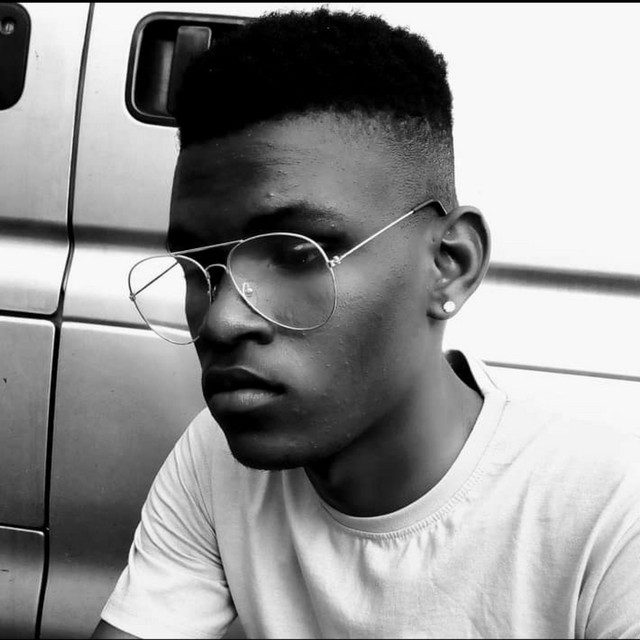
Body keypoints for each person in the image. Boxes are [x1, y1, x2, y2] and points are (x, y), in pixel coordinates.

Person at [93, 8, 640, 639]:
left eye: (296, 256)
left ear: (450, 265)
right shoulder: (216, 462)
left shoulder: (607, 516)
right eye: (200, 268)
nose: (220, 321)